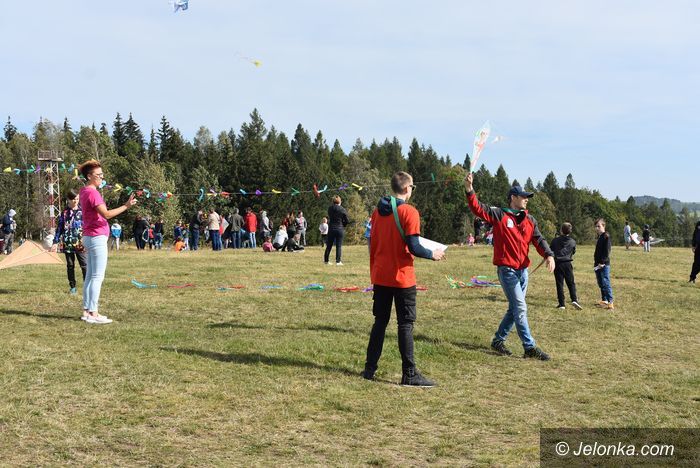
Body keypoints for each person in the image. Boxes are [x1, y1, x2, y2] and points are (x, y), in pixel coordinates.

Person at [362, 171, 445, 386]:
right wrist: (433, 254)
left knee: (380, 322)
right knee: (405, 324)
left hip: (381, 275)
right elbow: (414, 246)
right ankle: (409, 374)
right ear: (407, 189)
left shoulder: (377, 212)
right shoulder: (410, 212)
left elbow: (373, 241)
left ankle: (369, 369)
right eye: (413, 187)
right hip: (402, 277)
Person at [465, 172, 555, 361]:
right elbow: (478, 208)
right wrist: (469, 189)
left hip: (523, 272)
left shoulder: (530, 220)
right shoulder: (499, 214)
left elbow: (539, 239)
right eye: (523, 196)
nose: (526, 200)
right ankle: (529, 347)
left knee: (514, 308)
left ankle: (498, 340)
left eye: (527, 197)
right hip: (507, 270)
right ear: (513, 198)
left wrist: (548, 254)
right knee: (520, 307)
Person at [78, 159, 137, 324]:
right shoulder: (93, 193)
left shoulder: (84, 191)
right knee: (97, 276)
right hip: (96, 237)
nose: (102, 177)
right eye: (98, 175)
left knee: (90, 276)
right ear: (89, 176)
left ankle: (87, 311)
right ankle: (93, 313)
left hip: (90, 236)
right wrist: (126, 206)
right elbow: (106, 214)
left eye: (102, 174)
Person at [51, 189, 86, 294]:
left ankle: (87, 286)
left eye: (77, 199)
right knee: (70, 266)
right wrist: (55, 242)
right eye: (74, 199)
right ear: (68, 200)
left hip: (80, 243)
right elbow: (60, 228)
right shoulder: (65, 213)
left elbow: (87, 226)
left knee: (84, 265)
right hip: (68, 243)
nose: (76, 201)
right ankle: (72, 287)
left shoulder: (83, 211)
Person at [550, 223, 582, 310]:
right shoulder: (572, 241)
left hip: (558, 263)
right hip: (567, 263)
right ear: (570, 231)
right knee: (571, 283)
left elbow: (551, 250)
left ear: (561, 230)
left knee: (559, 284)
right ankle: (574, 299)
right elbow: (573, 251)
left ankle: (561, 304)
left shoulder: (555, 240)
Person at [594, 218, 614, 310]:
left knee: (606, 282)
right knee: (601, 283)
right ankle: (604, 300)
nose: (597, 228)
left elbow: (607, 251)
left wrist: (602, 262)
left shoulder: (606, 236)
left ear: (603, 226)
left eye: (599, 226)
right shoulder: (600, 237)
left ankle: (610, 302)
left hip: (603, 264)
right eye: (596, 226)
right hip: (597, 264)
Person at [324, 196, 349, 265]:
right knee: (338, 246)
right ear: (340, 201)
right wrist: (344, 225)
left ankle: (326, 260)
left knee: (329, 245)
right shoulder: (342, 209)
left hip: (331, 228)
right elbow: (347, 220)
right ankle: (338, 261)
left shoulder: (330, 208)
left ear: (333, 201)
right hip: (339, 228)